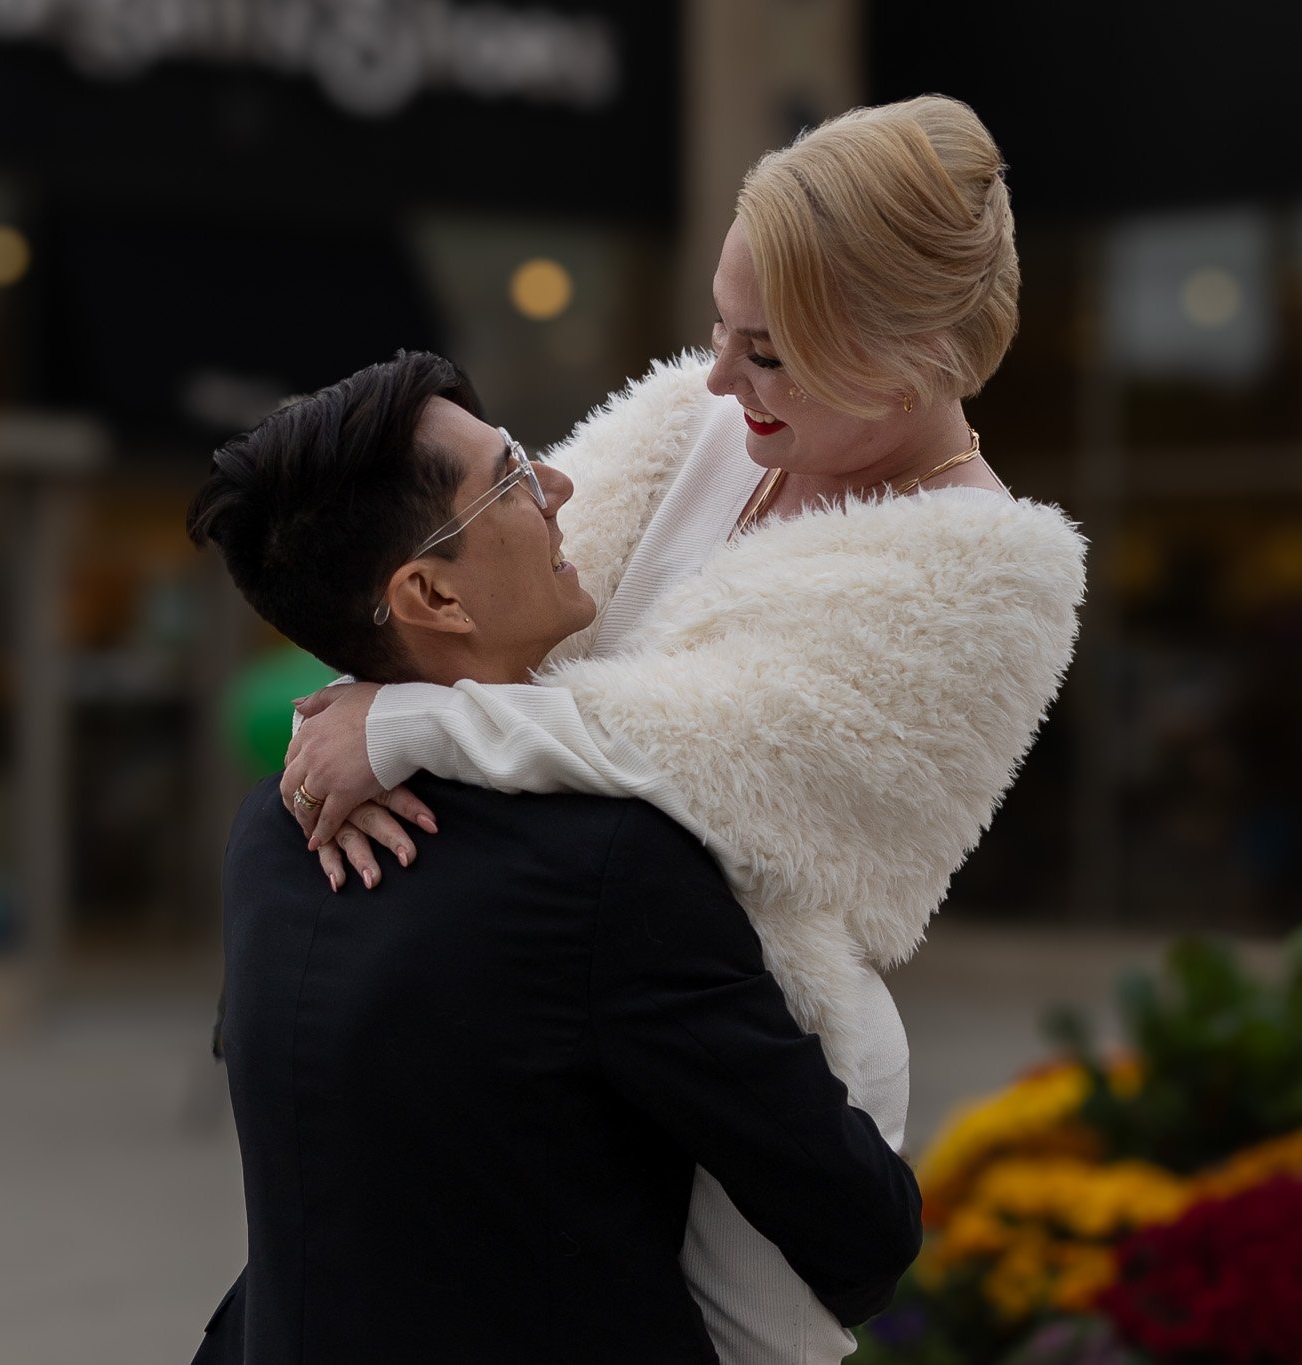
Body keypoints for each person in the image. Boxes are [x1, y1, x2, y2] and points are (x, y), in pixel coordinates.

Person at [282, 95, 1087, 1364]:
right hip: (540, 1005)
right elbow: (487, 600)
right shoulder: (697, 425)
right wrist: (375, 694)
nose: (719, 376)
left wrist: (414, 724)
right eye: (720, 325)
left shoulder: (990, 572)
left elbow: (703, 760)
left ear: (908, 359)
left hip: (755, 1056)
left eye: (766, 351)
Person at [183, 351, 922, 1365]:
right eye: (514, 481)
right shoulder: (604, 868)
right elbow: (856, 1227)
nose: (560, 487)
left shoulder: (276, 829)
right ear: (432, 594)